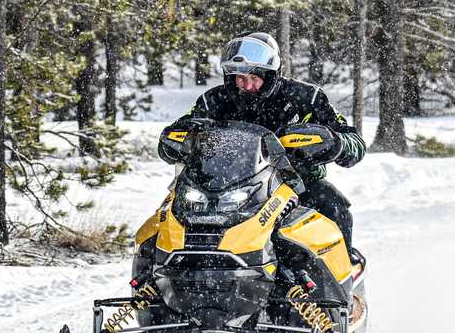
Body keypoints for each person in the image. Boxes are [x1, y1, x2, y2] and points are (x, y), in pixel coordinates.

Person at [157, 32, 367, 248]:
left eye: (254, 78)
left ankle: (343, 270)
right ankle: (153, 272)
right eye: (239, 78)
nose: (246, 85)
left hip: (295, 184)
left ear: (271, 75)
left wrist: (335, 143)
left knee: (332, 203)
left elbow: (355, 142)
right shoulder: (213, 101)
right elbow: (177, 134)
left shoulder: (306, 97)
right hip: (222, 187)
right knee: (164, 218)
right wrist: (171, 143)